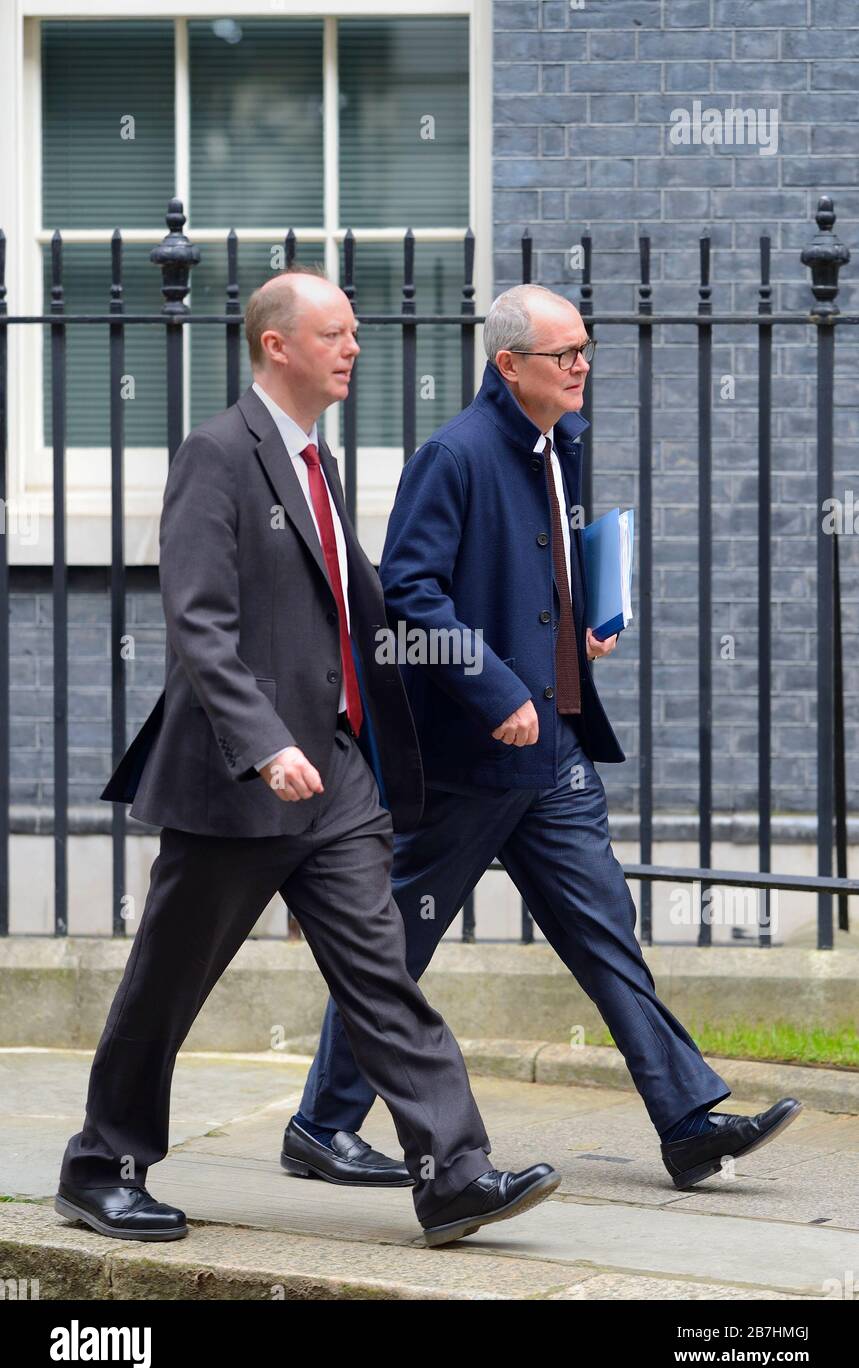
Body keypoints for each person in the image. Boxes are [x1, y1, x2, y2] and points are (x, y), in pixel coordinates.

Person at [55, 269, 561, 1249]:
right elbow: (200, 624)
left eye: (356, 332)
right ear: (275, 345)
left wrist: (478, 680)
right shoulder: (218, 455)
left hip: (332, 777)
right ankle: (100, 1167)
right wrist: (266, 742)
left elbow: (364, 607)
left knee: (381, 975)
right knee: (167, 981)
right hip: (235, 782)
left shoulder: (314, 464)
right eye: (334, 331)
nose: (353, 347)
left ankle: (452, 1172)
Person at [289, 283, 801, 1194]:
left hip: (553, 750)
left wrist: (579, 624)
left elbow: (524, 577)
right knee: (397, 943)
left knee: (606, 932)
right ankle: (321, 1125)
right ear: (508, 364)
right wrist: (493, 688)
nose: (581, 366)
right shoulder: (452, 455)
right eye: (564, 354)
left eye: (585, 350)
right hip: (470, 759)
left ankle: (686, 1121)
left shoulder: (557, 442)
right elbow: (407, 598)